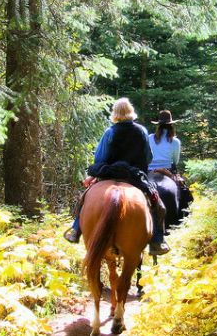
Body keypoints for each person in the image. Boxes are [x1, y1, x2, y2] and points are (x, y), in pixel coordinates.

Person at [63, 98, 170, 254]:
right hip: (134, 176)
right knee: (157, 204)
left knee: (85, 198)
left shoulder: (110, 132)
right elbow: (148, 157)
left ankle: (75, 230)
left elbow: (99, 158)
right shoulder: (141, 130)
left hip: (110, 173)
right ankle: (157, 241)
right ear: (131, 112)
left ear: (115, 114)